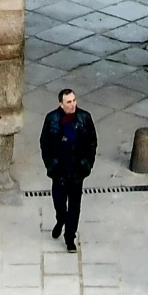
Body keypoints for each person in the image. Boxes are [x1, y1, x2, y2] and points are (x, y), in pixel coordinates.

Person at [39, 85, 96, 250]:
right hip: (59, 170)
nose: (72, 105)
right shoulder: (52, 119)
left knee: (75, 206)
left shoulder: (84, 118)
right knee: (58, 201)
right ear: (61, 104)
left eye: (74, 101)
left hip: (77, 170)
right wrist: (50, 164)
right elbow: (44, 143)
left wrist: (87, 164)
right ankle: (60, 220)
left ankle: (70, 236)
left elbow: (92, 142)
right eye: (68, 102)